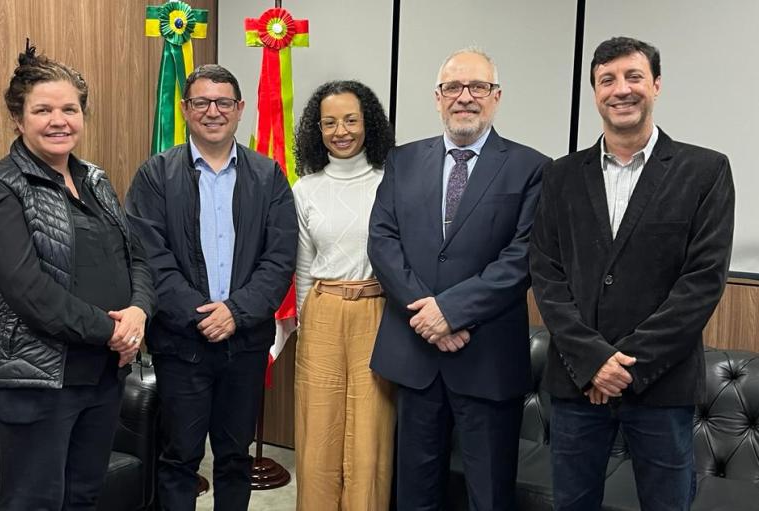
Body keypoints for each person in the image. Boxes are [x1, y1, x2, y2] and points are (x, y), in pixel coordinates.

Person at [530, 36, 735, 511]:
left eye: (633, 76)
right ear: (595, 92)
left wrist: (625, 366)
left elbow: (702, 281)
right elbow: (547, 273)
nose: (621, 89)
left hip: (662, 386)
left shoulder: (705, 170)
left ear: (656, 85)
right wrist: (592, 361)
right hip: (576, 382)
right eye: (607, 80)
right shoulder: (559, 176)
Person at [0, 41, 155, 511]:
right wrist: (113, 331)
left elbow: (138, 258)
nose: (59, 120)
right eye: (43, 109)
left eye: (69, 108)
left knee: (84, 498)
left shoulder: (95, 178)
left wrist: (138, 311)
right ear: (18, 118)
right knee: (35, 502)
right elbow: (32, 294)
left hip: (101, 375)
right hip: (33, 380)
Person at [368, 48, 550, 510]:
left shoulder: (532, 168)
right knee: (413, 491)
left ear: (496, 96)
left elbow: (522, 257)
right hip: (416, 354)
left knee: (488, 494)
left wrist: (450, 312)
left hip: (486, 356)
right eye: (453, 87)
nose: (465, 97)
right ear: (437, 97)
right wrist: (428, 315)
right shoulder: (402, 160)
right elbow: (383, 243)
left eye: (478, 87)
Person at [125, 64, 298, 511]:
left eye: (223, 102)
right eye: (201, 102)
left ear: (240, 110)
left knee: (234, 458)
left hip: (245, 344)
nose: (213, 111)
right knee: (180, 457)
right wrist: (203, 315)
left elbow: (279, 259)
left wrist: (236, 313)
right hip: (182, 345)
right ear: (185, 110)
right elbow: (149, 256)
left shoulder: (269, 175)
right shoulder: (155, 176)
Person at [292, 80, 396, 510]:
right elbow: (301, 266)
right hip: (322, 310)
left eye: (351, 120)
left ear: (367, 123)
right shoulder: (305, 188)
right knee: (318, 431)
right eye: (329, 122)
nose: (341, 131)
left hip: (378, 310)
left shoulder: (391, 181)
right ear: (317, 130)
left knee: (370, 432)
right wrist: (304, 322)